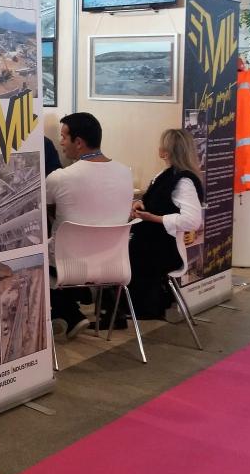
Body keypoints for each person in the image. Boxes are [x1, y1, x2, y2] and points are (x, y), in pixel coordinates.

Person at [45, 112, 133, 339]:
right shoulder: (125, 173)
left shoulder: (59, 178)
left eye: (64, 137)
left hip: (69, 266)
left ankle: (68, 313)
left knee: (29, 259)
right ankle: (73, 310)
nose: (61, 143)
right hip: (113, 265)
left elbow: (47, 211)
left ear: (79, 142)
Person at [128, 129, 204, 320]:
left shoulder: (183, 181)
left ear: (165, 152)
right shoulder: (166, 175)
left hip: (163, 249)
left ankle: (130, 307)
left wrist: (154, 218)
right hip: (151, 242)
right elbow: (160, 202)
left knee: (117, 255)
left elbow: (193, 220)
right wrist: (141, 204)